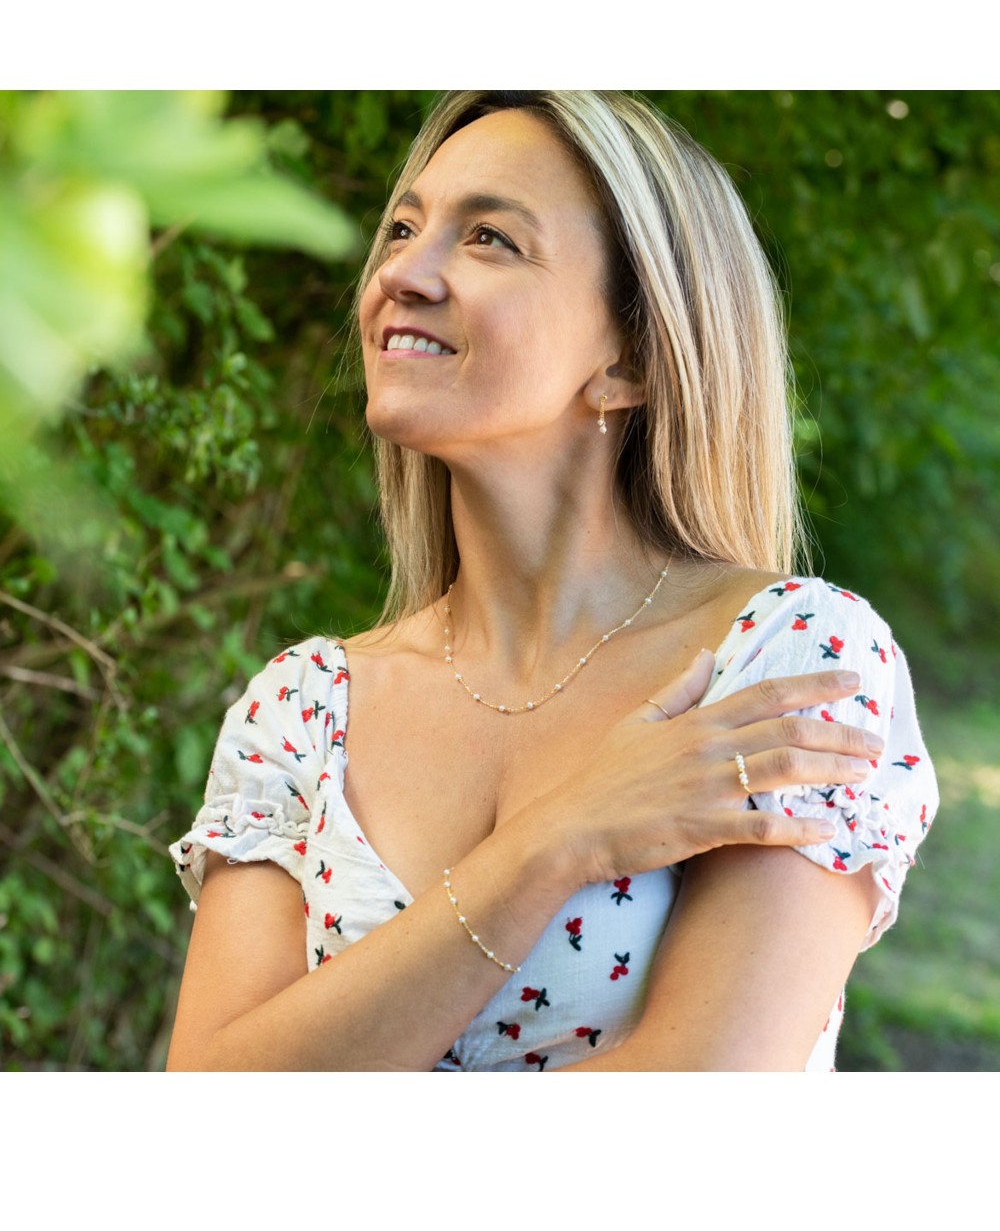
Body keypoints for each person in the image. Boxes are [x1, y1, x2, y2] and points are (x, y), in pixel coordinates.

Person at [167, 91, 938, 1071]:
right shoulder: (302, 710)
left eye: (489, 237)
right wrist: (557, 840)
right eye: (402, 227)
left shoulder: (787, 660)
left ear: (632, 358)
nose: (402, 270)